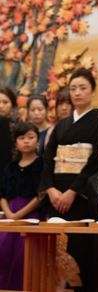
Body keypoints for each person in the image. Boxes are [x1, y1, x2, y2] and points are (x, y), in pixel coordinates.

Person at [39, 67, 98, 290]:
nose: (77, 93)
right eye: (73, 88)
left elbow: (95, 161)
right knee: (55, 250)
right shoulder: (61, 125)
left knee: (80, 249)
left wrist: (72, 191)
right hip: (57, 197)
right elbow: (48, 158)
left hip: (80, 197)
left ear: (92, 90)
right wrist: (50, 189)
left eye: (82, 88)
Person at [0, 122, 44, 289]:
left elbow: (41, 195)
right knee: (4, 256)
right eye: (21, 138)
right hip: (8, 216)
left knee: (24, 258)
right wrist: (9, 214)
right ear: (15, 143)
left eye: (31, 137)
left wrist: (19, 215)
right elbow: (2, 195)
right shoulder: (10, 167)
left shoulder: (42, 164)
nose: (26, 141)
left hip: (30, 216)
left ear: (38, 141)